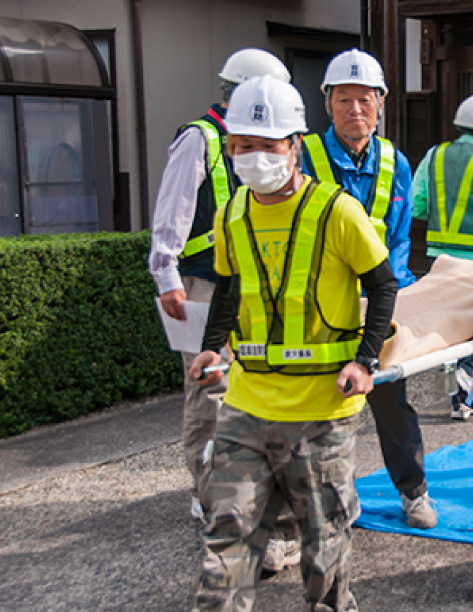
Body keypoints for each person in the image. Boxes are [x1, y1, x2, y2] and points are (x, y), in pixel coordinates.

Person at [188, 74, 397, 612]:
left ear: (294, 145)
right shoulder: (231, 213)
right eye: (242, 146)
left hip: (321, 411)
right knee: (226, 538)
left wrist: (365, 359)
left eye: (266, 145)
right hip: (246, 405)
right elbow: (231, 287)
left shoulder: (337, 211)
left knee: (324, 545)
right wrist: (213, 346)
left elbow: (382, 284)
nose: (253, 156)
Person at [148, 48, 291, 520]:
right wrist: (166, 272)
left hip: (249, 283)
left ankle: (243, 486)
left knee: (249, 383)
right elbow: (174, 206)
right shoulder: (202, 138)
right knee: (210, 388)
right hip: (204, 282)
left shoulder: (265, 141)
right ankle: (207, 492)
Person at [299, 48, 437, 529]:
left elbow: (398, 238)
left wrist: (391, 297)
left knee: (391, 398)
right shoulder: (304, 157)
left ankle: (413, 491)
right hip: (319, 307)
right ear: (327, 104)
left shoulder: (395, 162)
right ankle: (320, 502)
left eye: (364, 99)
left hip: (376, 306)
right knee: (316, 407)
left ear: (381, 102)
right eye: (343, 100)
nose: (354, 110)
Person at [411, 94, 473, 420]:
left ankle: (461, 393)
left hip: (440, 260)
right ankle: (467, 374)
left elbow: (418, 205)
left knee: (449, 325)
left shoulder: (433, 156)